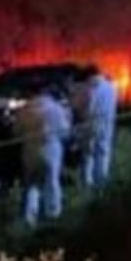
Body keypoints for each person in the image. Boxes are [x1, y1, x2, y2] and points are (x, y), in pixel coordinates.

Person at [17, 87, 73, 226]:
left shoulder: (24, 109)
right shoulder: (56, 108)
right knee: (52, 181)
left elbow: (16, 131)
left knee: (31, 184)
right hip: (51, 149)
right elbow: (65, 131)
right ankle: (53, 213)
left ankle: (30, 217)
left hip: (29, 151)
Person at [70, 65, 118, 193]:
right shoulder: (111, 87)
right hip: (108, 123)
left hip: (92, 125)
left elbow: (88, 110)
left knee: (89, 155)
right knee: (104, 153)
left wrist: (79, 121)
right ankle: (102, 183)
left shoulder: (91, 89)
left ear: (90, 76)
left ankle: (88, 184)